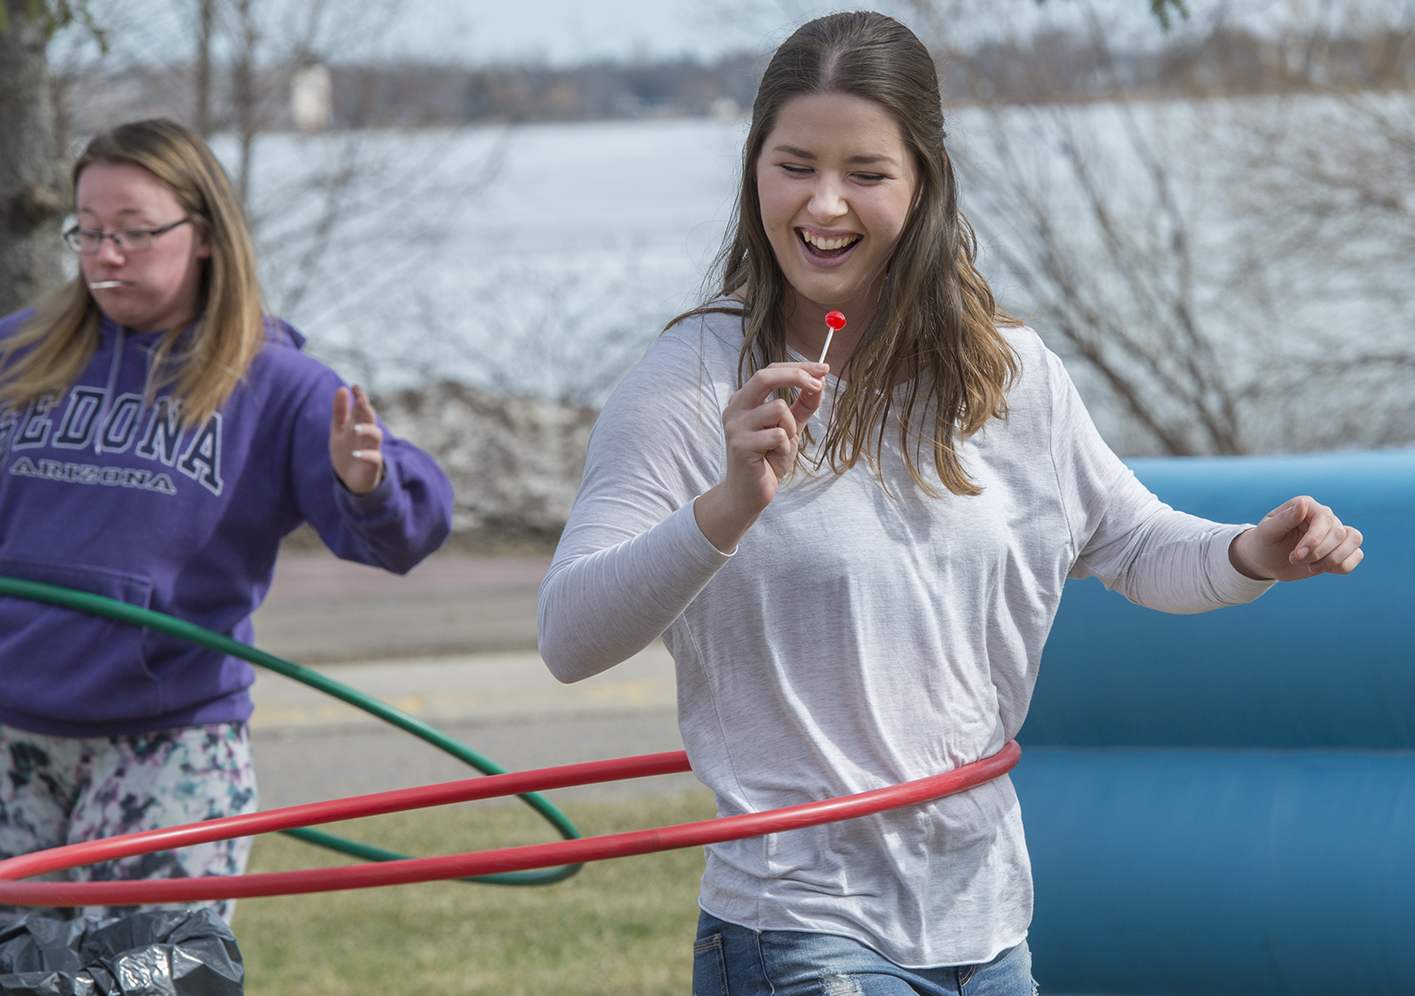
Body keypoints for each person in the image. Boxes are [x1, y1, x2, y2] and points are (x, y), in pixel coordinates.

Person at [536, 12, 1363, 995]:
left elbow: (1133, 544)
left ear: (924, 180)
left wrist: (1252, 554)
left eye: (868, 174)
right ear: (754, 167)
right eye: (795, 164)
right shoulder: (693, 380)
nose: (825, 204)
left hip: (986, 927)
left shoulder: (1007, 371)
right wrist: (726, 507)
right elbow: (569, 635)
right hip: (803, 929)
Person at [0, 118, 453, 923]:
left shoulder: (277, 385)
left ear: (202, 234)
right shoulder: (26, 352)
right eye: (88, 232)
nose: (105, 255)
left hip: (168, 750)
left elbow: (404, 535)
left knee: (143, 980)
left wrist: (368, 484)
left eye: (134, 233)